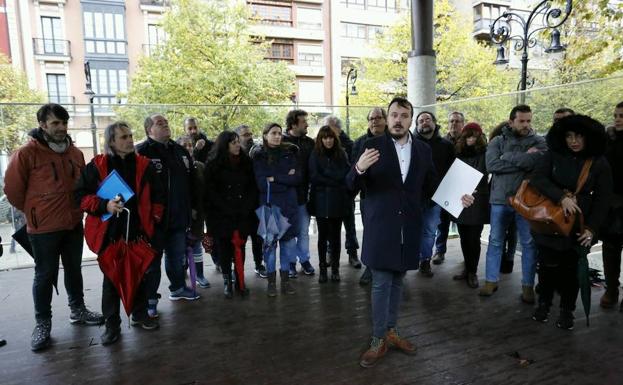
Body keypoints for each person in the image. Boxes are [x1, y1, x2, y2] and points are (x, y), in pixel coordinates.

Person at [348, 97, 469, 368]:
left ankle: (391, 331)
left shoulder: (423, 150)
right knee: (380, 282)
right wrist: (359, 168)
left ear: (410, 119)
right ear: (387, 118)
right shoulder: (370, 146)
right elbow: (349, 185)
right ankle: (378, 338)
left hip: (409, 224)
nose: (398, 119)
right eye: (394, 115)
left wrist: (457, 197)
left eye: (404, 115)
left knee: (399, 279)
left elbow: (432, 185)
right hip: (380, 225)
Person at [3, 103, 104, 351]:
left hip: (72, 223)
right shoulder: (26, 154)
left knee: (73, 270)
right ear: (43, 125)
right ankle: (42, 323)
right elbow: (14, 192)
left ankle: (77, 310)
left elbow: (82, 185)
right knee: (45, 274)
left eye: (64, 123)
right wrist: (35, 211)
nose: (61, 127)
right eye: (55, 123)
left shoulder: (75, 153)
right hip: (43, 228)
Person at [76, 122, 165, 344]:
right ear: (112, 142)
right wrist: (104, 205)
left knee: (141, 275)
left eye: (130, 136)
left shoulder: (145, 165)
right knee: (111, 280)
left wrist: (153, 220)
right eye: (123, 137)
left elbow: (159, 197)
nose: (129, 140)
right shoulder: (97, 165)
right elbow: (80, 197)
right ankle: (112, 325)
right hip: (110, 233)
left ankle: (140, 314)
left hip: (139, 231)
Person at [530, 115, 612, 330]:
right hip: (548, 221)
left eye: (578, 136)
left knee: (571, 271)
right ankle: (544, 304)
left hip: (577, 226)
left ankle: (567, 310)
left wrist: (592, 229)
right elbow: (538, 179)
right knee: (546, 267)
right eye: (569, 136)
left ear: (588, 138)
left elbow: (604, 199)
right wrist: (561, 197)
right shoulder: (553, 154)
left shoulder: (598, 161)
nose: (573, 141)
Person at [481, 105, 547, 303]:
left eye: (529, 120)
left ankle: (527, 286)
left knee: (528, 243)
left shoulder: (539, 141)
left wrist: (508, 157)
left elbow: (538, 164)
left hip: (527, 200)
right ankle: (490, 281)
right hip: (500, 199)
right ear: (511, 122)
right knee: (495, 241)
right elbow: (491, 165)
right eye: (522, 121)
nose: (526, 125)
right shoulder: (497, 141)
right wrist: (526, 159)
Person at [136, 113, 199, 317]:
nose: (165, 126)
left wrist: (193, 207)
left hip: (179, 216)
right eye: (159, 123)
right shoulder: (141, 152)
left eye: (166, 123)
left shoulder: (179, 150)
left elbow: (191, 182)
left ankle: (178, 288)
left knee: (176, 256)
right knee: (152, 263)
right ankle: (150, 300)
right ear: (149, 130)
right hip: (153, 221)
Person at [204, 131, 258, 298]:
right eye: (233, 142)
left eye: (238, 142)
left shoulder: (247, 162)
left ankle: (240, 280)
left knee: (240, 247)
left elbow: (252, 188)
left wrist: (245, 207)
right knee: (225, 249)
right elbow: (210, 193)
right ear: (224, 145)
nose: (237, 145)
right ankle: (227, 280)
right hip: (222, 215)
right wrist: (226, 208)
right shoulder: (213, 165)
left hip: (242, 213)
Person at [251, 123, 300, 296]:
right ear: (265, 135)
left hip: (288, 206)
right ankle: (271, 282)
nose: (278, 136)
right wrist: (285, 179)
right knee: (270, 247)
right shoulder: (259, 156)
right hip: (270, 207)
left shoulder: (290, 153)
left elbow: (297, 179)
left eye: (279, 133)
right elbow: (262, 184)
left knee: (287, 246)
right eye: (273, 133)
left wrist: (275, 178)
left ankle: (285, 281)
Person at [414, 111, 456, 277]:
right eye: (421, 120)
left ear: (434, 123)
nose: (424, 122)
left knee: (430, 230)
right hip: (414, 195)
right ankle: (411, 258)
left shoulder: (446, 145)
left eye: (428, 119)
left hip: (436, 196)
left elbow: (452, 170)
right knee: (413, 229)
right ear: (416, 126)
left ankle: (425, 261)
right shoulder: (411, 144)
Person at [308, 125, 351, 283]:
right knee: (322, 237)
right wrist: (334, 178)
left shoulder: (342, 153)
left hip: (337, 201)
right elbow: (314, 177)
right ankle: (322, 270)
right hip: (320, 201)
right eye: (325, 137)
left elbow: (346, 174)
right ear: (320, 139)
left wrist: (326, 175)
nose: (328, 140)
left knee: (335, 238)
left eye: (331, 137)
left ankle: (335, 269)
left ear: (335, 138)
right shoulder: (315, 154)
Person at [352, 107, 387, 285]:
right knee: (371, 233)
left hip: (391, 197)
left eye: (378, 118)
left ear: (386, 120)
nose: (375, 121)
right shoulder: (360, 143)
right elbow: (353, 171)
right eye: (371, 119)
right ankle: (370, 267)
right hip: (369, 197)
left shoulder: (395, 141)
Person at [452, 122, 489, 288]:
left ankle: (473, 272)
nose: (471, 139)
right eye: (468, 135)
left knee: (474, 239)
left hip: (478, 201)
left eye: (474, 136)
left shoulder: (486, 153)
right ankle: (467, 268)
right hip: (460, 200)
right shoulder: (458, 153)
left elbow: (487, 176)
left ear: (479, 137)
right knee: (464, 237)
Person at [324, 115, 361, 269]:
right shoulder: (323, 144)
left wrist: (350, 190)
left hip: (346, 193)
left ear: (337, 128)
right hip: (330, 193)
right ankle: (330, 253)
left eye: (328, 127)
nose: (325, 132)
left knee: (350, 225)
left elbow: (353, 169)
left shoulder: (350, 145)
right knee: (330, 227)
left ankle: (352, 254)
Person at [282, 109, 316, 277]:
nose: (307, 124)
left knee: (303, 231)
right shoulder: (280, 142)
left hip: (303, 196)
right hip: (286, 197)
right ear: (294, 124)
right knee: (288, 232)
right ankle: (290, 263)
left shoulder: (310, 143)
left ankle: (304, 260)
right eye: (304, 122)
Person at [177, 136, 211, 289]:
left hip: (198, 214)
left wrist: (200, 209)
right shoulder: (174, 166)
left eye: (190, 145)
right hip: (179, 214)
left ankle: (199, 275)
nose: (188, 147)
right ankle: (181, 277)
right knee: (179, 248)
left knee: (196, 244)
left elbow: (205, 191)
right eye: (184, 145)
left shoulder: (199, 166)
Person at [233, 124, 267, 278]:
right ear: (237, 138)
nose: (249, 137)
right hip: (240, 205)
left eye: (250, 133)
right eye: (245, 135)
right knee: (240, 239)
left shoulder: (257, 152)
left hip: (256, 202)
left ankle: (259, 264)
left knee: (257, 237)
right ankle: (238, 269)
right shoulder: (234, 157)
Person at [432, 111, 465, 265]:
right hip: (445, 186)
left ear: (462, 124)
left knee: (465, 225)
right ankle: (440, 251)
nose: (454, 124)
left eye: (457, 121)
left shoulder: (469, 141)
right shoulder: (442, 142)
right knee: (442, 222)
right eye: (451, 121)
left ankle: (468, 255)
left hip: (463, 188)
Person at [599, 101, 623, 309]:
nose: (617, 119)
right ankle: (611, 289)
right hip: (612, 203)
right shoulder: (608, 141)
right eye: (616, 115)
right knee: (610, 249)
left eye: (621, 116)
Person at [489, 122, 518, 274]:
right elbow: (492, 165)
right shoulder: (495, 143)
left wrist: (505, 160)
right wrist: (519, 163)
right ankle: (507, 259)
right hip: (499, 194)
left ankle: (508, 259)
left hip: (514, 195)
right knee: (502, 233)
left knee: (510, 232)